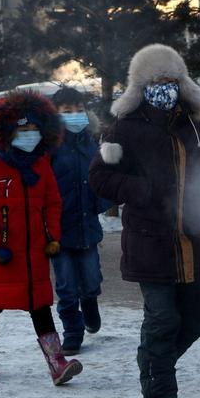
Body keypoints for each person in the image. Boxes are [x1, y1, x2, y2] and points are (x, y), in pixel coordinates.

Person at [89, 44, 200, 398]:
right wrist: (141, 191)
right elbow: (99, 177)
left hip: (192, 240)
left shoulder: (198, 124)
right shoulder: (126, 127)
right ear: (141, 86)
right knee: (162, 320)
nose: (164, 88)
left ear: (182, 82)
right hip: (151, 242)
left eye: (170, 81)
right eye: (156, 82)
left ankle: (153, 364)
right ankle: (158, 397)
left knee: (193, 319)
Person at [0, 90, 83, 386]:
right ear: (7, 131)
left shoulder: (41, 167)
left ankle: (57, 363)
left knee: (40, 308)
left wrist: (52, 237)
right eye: (22, 129)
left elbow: (53, 203)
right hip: (0, 257)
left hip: (33, 257)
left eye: (34, 129)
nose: (29, 135)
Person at [49, 87, 112, 355]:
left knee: (90, 278)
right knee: (65, 286)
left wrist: (103, 202)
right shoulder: (48, 147)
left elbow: (102, 180)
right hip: (58, 231)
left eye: (78, 110)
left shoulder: (91, 143)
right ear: (55, 116)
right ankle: (72, 333)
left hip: (87, 228)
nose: (74, 116)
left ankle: (90, 301)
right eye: (66, 112)